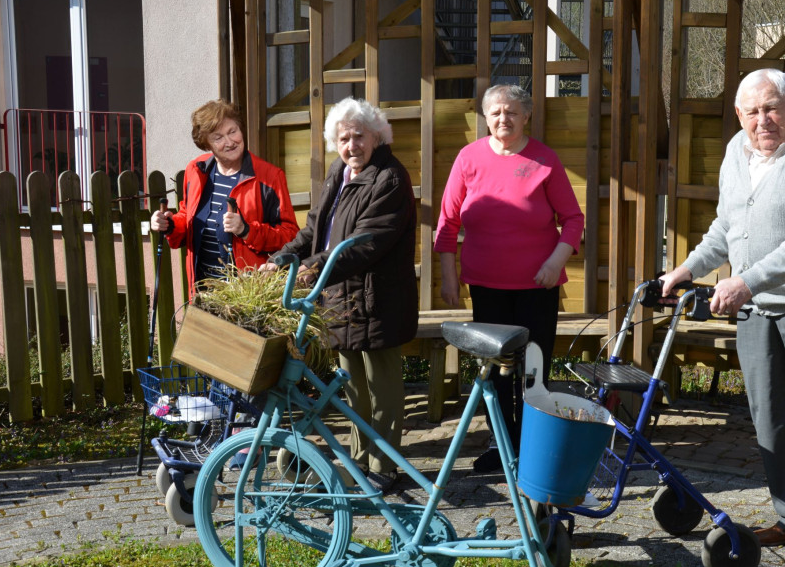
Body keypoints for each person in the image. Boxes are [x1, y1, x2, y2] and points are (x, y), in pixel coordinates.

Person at [657, 69, 785, 567]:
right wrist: (686, 269)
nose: (761, 121)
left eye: (771, 108)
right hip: (755, 304)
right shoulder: (736, 150)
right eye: (751, 112)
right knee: (770, 417)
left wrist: (746, 281)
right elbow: (728, 226)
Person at [262, 98, 418, 494]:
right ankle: (359, 460)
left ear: (377, 136)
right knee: (352, 387)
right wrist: (283, 259)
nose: (352, 145)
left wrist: (308, 271)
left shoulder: (390, 180)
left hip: (376, 300)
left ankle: (385, 467)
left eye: (359, 136)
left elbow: (363, 246)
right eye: (344, 138)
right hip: (341, 299)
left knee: (381, 387)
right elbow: (315, 229)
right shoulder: (341, 171)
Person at [435, 84, 585, 474]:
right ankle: (501, 446)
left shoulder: (545, 160)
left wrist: (556, 262)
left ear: (527, 116)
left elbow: (573, 220)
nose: (504, 119)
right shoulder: (468, 158)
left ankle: (534, 449)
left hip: (538, 286)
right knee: (496, 373)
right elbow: (447, 224)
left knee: (533, 370)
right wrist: (448, 278)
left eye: (512, 112)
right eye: (497, 112)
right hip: (487, 286)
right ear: (486, 117)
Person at [150, 99, 299, 296]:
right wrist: (169, 224)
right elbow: (188, 217)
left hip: (248, 298)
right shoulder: (196, 171)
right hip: (202, 290)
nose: (230, 142)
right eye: (218, 137)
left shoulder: (269, 177)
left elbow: (290, 237)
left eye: (233, 131)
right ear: (206, 144)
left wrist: (246, 230)